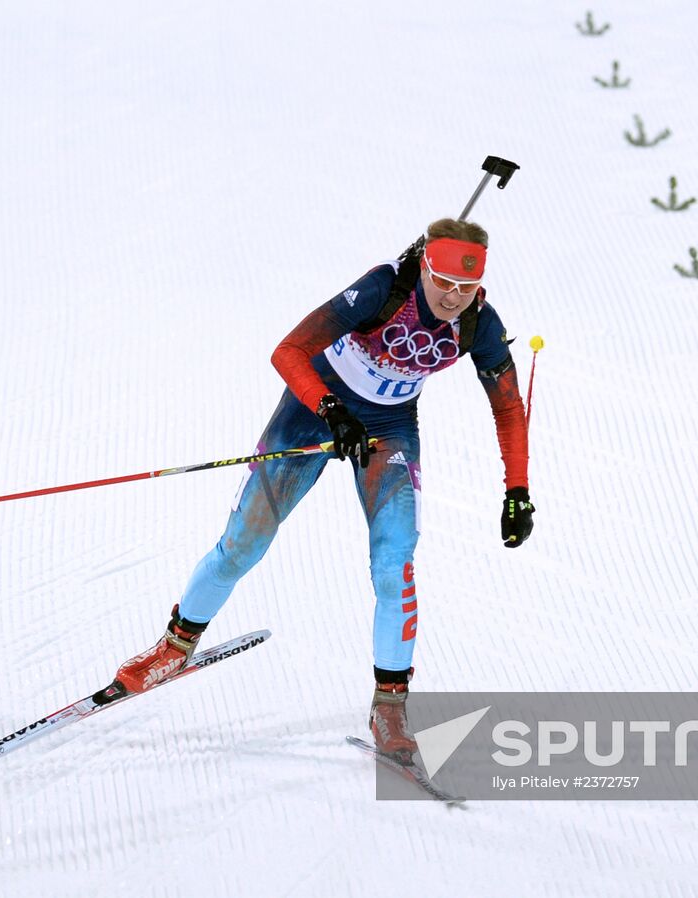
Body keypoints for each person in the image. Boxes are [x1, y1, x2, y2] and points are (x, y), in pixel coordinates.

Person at [100, 218, 535, 761]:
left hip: (388, 431)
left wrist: (517, 489)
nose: (452, 296)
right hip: (313, 413)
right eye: (442, 281)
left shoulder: (480, 323)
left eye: (465, 287)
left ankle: (390, 708)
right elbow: (287, 350)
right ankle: (175, 646)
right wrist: (328, 409)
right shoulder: (383, 289)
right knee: (243, 544)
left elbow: (509, 407)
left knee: (394, 560)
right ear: (423, 266)